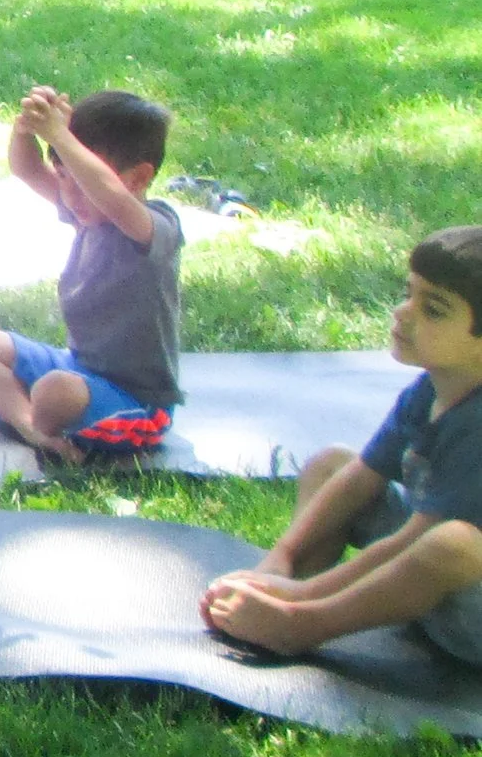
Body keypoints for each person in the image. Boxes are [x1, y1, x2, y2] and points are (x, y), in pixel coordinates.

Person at [199, 228, 482, 662]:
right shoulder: (429, 390)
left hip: (469, 613)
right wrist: (281, 558)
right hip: (428, 588)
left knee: (455, 542)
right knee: (331, 464)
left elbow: (418, 538)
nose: (404, 313)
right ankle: (281, 591)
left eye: (434, 309)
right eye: (409, 294)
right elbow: (362, 476)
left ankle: (300, 623)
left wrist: (306, 598)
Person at [0, 88, 182, 458]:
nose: (70, 195)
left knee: (56, 390)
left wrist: (60, 136)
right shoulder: (87, 214)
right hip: (79, 368)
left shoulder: (153, 228)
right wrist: (27, 127)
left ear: (138, 179)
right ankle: (34, 429)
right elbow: (29, 170)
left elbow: (109, 195)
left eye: (82, 181)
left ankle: (41, 419)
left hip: (137, 402)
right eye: (63, 176)